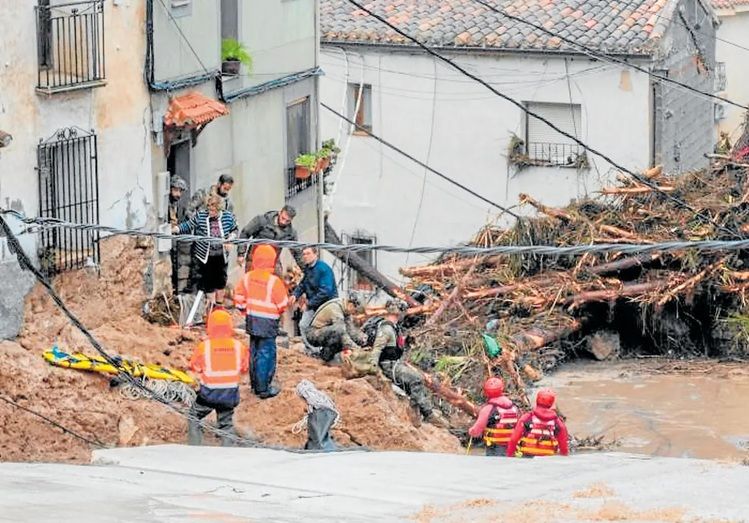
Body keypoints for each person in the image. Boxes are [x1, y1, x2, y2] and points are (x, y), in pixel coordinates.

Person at [370, 299, 448, 427]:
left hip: (395, 363)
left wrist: (406, 341)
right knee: (416, 379)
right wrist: (372, 368)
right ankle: (426, 413)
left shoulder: (393, 327)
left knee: (419, 379)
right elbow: (377, 348)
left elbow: (394, 345)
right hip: (389, 366)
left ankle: (419, 412)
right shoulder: (386, 328)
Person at [187, 309, 249, 446]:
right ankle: (227, 452)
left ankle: (194, 448)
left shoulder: (204, 347)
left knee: (193, 416)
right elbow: (244, 368)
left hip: (209, 394)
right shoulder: (239, 347)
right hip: (229, 394)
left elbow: (195, 367)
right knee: (226, 424)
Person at [234, 244, 289, 399]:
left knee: (254, 351)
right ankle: (263, 388)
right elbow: (283, 304)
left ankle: (254, 385)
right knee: (266, 354)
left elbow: (238, 298)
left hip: (252, 319)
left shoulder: (248, 277)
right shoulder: (274, 281)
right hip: (268, 322)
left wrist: (245, 310)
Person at [174, 194, 238, 307]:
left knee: (220, 282)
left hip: (221, 256)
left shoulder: (228, 217)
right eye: (209, 210)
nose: (210, 213)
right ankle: (211, 307)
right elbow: (188, 225)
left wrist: (230, 239)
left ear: (219, 210)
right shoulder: (201, 216)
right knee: (208, 284)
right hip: (205, 256)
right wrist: (176, 229)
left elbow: (235, 229)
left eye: (213, 211)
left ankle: (219, 306)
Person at [506, 388, 569, 458]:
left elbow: (514, 439)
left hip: (527, 458)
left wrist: (510, 456)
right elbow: (564, 447)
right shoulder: (558, 423)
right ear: (551, 403)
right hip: (548, 459)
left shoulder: (526, 418)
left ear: (537, 400)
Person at [304, 294, 367, 362]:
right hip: (313, 334)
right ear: (351, 305)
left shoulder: (345, 309)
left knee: (341, 337)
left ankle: (325, 358)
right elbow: (341, 332)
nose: (354, 314)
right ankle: (323, 357)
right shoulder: (336, 308)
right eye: (355, 311)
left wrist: (363, 340)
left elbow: (351, 331)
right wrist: (356, 349)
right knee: (339, 334)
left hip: (325, 332)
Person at [468, 377, 520, 456]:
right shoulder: (514, 407)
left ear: (486, 392)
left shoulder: (487, 409)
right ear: (502, 389)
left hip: (495, 447)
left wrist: (471, 432)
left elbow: (477, 430)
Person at [237, 205, 303, 269]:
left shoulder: (290, 233)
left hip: (274, 260)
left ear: (291, 220)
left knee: (277, 275)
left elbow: (296, 252)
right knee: (253, 276)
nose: (283, 222)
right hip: (255, 257)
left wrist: (305, 269)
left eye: (287, 221)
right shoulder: (262, 220)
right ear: (279, 213)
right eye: (283, 218)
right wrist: (241, 254)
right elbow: (245, 233)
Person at [290, 246, 338, 314]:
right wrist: (295, 295)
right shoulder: (308, 268)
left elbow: (325, 292)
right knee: (304, 320)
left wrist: (308, 304)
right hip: (314, 306)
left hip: (327, 306)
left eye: (308, 253)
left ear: (316, 254)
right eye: (304, 254)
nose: (305, 256)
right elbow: (303, 284)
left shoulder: (323, 269)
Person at [294, 379, 339, 451]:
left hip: (322, 413)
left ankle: (319, 448)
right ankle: (324, 447)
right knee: (320, 433)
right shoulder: (320, 403)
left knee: (317, 434)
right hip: (326, 413)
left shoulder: (315, 407)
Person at [168, 176, 191, 294]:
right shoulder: (166, 204)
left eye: (180, 191)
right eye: (176, 190)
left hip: (177, 240)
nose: (178, 194)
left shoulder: (180, 205)